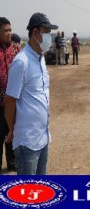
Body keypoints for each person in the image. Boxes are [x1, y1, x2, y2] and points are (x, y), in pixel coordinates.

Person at [5, 12, 58, 175]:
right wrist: (11, 130)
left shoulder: (40, 58)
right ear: (36, 33)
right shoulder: (22, 61)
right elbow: (10, 100)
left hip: (42, 136)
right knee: (27, 193)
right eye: (46, 32)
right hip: (27, 141)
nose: (49, 37)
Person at [0, 17, 16, 172]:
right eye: (5, 30)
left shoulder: (12, 49)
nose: (9, 33)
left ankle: (12, 162)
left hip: (10, 101)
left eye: (10, 30)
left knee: (11, 132)